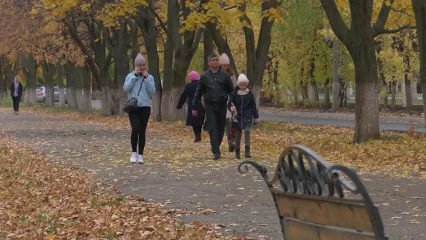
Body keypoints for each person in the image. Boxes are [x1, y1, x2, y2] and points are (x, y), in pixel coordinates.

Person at [192, 53, 234, 160]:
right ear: (209, 62)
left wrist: (233, 103)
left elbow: (231, 91)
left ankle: (216, 145)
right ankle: (216, 151)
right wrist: (194, 106)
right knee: (213, 128)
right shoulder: (205, 76)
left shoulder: (224, 75)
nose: (215, 61)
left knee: (220, 128)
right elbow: (198, 91)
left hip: (222, 105)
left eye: (217, 60)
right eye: (213, 60)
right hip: (210, 106)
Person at [123, 53, 156, 164]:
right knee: (135, 129)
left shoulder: (150, 77)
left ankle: (140, 154)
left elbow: (152, 91)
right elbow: (126, 88)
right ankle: (133, 152)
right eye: (139, 65)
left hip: (145, 107)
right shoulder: (130, 76)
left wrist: (146, 79)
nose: (142, 67)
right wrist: (134, 77)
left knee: (142, 131)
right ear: (135, 66)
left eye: (143, 65)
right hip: (133, 107)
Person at [228, 74, 259, 159]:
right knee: (238, 132)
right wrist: (231, 107)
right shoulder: (234, 93)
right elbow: (229, 103)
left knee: (247, 130)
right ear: (238, 84)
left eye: (245, 85)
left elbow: (253, 105)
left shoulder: (249, 93)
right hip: (237, 115)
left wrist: (256, 117)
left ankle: (247, 151)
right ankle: (237, 152)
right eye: (241, 85)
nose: (243, 86)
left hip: (247, 115)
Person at [176, 71, 205, 142]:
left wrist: (179, 105)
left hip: (192, 105)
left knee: (194, 121)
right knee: (199, 121)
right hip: (201, 105)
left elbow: (184, 95)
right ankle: (199, 134)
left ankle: (196, 135)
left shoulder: (188, 86)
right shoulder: (201, 84)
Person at [219, 53, 237, 152]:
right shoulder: (216, 73)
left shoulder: (231, 74)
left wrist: (234, 100)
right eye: (223, 65)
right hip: (220, 100)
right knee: (223, 122)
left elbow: (234, 87)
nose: (225, 67)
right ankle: (222, 141)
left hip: (229, 100)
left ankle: (231, 141)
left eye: (226, 65)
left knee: (231, 121)